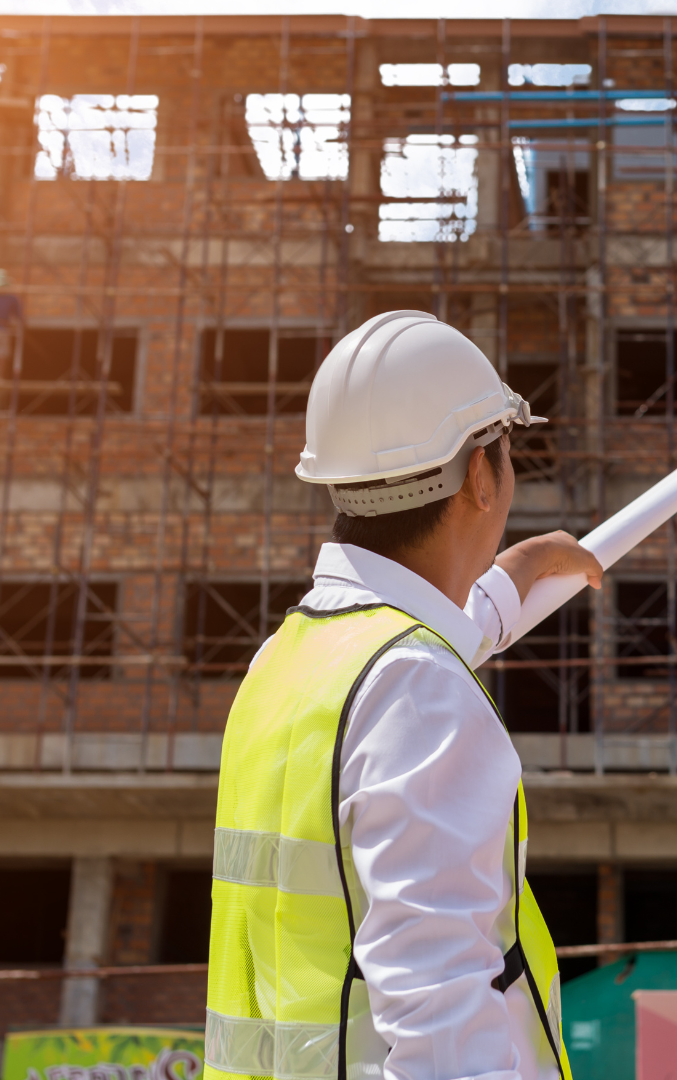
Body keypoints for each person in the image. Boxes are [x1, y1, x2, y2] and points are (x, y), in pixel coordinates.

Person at [204, 311, 599, 1080]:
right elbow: (441, 1024)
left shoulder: (285, 661)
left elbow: (420, 651)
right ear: (481, 478)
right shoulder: (414, 689)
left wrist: (515, 574)